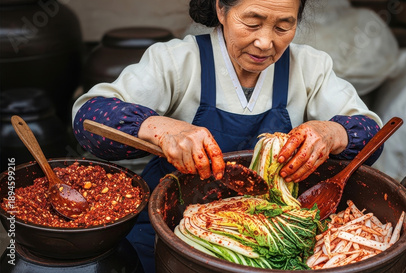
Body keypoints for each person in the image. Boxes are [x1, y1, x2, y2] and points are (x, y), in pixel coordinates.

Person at [72, 0, 383, 271]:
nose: (265, 42)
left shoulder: (311, 67)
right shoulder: (177, 61)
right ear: (221, 8)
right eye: (252, 22)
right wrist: (162, 128)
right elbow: (88, 119)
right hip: (174, 230)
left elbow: (371, 134)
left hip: (273, 240)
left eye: (283, 26)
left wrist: (332, 132)